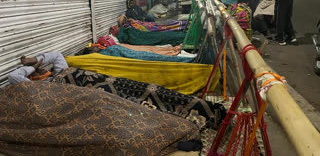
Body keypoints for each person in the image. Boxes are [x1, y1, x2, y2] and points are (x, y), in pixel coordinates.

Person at [8, 52, 226, 130]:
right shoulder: (37, 89)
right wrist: (32, 67)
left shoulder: (58, 70)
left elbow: (55, 54)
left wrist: (37, 61)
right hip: (93, 94)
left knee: (149, 90)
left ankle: (211, 109)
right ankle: (203, 117)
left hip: (105, 81)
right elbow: (13, 77)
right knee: (141, 106)